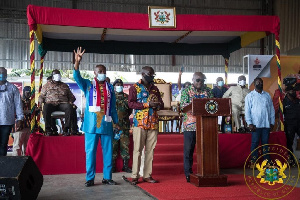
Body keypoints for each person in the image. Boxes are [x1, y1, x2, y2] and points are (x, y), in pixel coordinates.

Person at [73, 47, 120, 187]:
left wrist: (116, 123)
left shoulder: (110, 88)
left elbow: (112, 108)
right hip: (91, 125)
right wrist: (77, 62)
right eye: (100, 72)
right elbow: (76, 77)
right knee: (90, 153)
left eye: (104, 72)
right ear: (94, 73)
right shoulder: (87, 85)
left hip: (106, 124)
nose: (102, 74)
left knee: (108, 153)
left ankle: (107, 177)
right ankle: (90, 178)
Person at [128, 66, 164, 185]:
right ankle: (135, 175)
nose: (152, 76)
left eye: (153, 74)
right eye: (150, 74)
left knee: (150, 150)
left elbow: (162, 104)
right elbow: (131, 104)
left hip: (153, 123)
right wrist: (147, 104)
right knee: (137, 150)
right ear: (143, 74)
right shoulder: (134, 88)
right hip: (140, 123)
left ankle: (147, 175)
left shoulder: (155, 88)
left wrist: (157, 105)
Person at [180, 72, 213, 182]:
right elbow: (183, 107)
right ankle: (188, 173)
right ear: (193, 80)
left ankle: (206, 171)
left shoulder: (208, 91)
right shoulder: (186, 91)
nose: (200, 82)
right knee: (189, 150)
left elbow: (213, 104)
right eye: (198, 80)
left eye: (202, 80)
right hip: (190, 126)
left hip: (205, 125)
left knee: (206, 149)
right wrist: (197, 106)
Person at [245, 77, 275, 167]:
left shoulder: (267, 95)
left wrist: (272, 122)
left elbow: (271, 110)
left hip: (266, 124)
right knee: (255, 143)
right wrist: (249, 123)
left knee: (265, 144)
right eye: (258, 82)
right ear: (254, 84)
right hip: (255, 125)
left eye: (261, 82)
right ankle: (254, 162)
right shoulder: (250, 96)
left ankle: (266, 162)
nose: (260, 84)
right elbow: (247, 111)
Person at [38, 70, 77, 136]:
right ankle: (48, 130)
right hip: (51, 103)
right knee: (46, 107)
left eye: (59, 74)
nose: (58, 76)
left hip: (62, 103)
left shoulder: (64, 85)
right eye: (56, 75)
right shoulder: (46, 86)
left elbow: (72, 96)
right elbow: (41, 96)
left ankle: (66, 129)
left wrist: (70, 102)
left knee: (69, 107)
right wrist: (40, 104)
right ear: (52, 76)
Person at [0, 67, 23, 156]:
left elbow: (18, 104)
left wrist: (20, 118)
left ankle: (2, 165)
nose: (1, 75)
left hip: (6, 121)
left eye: (3, 73)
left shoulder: (13, 88)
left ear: (6, 75)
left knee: (3, 144)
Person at [112, 79, 133, 173]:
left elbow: (129, 111)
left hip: (124, 126)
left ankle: (125, 166)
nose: (119, 86)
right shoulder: (111, 97)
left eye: (120, 84)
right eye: (117, 84)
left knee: (125, 146)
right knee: (113, 146)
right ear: (114, 86)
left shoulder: (127, 97)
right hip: (113, 126)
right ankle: (112, 166)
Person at [12, 86, 32, 156]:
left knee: (27, 147)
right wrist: (28, 111)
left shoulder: (31, 102)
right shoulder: (18, 101)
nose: (28, 94)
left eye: (30, 93)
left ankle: (26, 163)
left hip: (29, 126)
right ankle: (16, 163)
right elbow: (15, 112)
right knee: (17, 146)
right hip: (20, 127)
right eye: (27, 93)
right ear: (23, 92)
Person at [283, 86, 300, 164]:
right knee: (289, 142)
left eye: (293, 90)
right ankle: (291, 159)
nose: (293, 92)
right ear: (287, 92)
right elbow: (281, 114)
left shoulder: (298, 101)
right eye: (290, 91)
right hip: (289, 125)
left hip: (299, 123)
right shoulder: (283, 102)